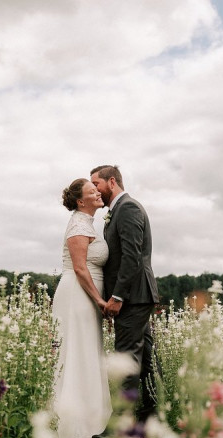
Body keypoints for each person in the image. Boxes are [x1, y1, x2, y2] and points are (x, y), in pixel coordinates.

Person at [90, 165, 160, 423]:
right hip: (137, 295)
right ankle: (152, 414)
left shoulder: (128, 208)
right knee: (144, 358)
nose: (94, 190)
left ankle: (122, 423)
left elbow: (132, 257)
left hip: (133, 296)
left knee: (126, 357)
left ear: (111, 182)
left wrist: (117, 297)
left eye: (96, 184)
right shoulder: (117, 210)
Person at [51, 178, 112, 438]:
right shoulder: (78, 224)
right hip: (77, 293)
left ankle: (89, 418)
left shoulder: (87, 223)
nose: (98, 192)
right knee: (76, 349)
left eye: (96, 189)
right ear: (80, 201)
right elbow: (79, 268)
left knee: (86, 349)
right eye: (92, 191)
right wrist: (99, 300)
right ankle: (72, 421)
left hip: (86, 293)